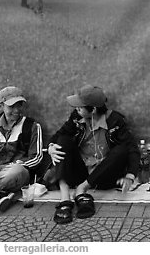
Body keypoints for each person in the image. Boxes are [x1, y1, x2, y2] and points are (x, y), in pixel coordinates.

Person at [43, 84, 140, 224]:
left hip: (102, 175)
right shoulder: (76, 117)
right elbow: (60, 134)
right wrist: (51, 147)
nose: (76, 109)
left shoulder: (115, 121)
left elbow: (131, 148)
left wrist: (130, 176)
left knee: (121, 150)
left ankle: (82, 190)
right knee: (62, 140)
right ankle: (65, 199)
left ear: (93, 109)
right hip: (80, 171)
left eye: (80, 107)